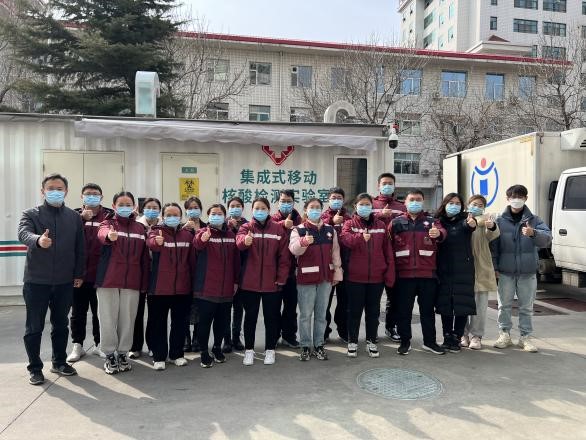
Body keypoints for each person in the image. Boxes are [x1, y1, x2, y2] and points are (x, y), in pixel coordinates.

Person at [18, 173, 85, 385]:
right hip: (36, 281)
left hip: (64, 281)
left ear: (66, 191)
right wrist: (38, 240)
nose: (55, 191)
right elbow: (23, 233)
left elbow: (80, 247)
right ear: (43, 191)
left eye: (59, 188)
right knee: (34, 327)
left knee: (61, 324)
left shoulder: (74, 217)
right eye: (50, 188)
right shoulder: (31, 214)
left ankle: (59, 362)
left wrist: (79, 273)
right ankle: (35, 368)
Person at [491, 184, 552, 353]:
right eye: (513, 197)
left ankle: (525, 337)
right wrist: (495, 267)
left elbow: (547, 240)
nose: (516, 200)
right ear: (507, 199)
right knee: (504, 305)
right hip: (505, 271)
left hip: (528, 271)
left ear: (526, 198)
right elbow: (494, 247)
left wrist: (534, 233)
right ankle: (504, 334)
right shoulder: (499, 221)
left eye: (520, 197)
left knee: (526, 307)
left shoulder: (535, 220)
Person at [96, 191, 150, 374]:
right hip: (109, 280)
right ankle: (109, 354)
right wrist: (108, 237)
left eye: (128, 204)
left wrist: (144, 282)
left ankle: (122, 353)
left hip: (132, 281)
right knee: (107, 318)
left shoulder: (140, 229)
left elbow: (144, 258)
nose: (125, 207)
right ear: (114, 206)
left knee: (128, 319)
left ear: (134, 207)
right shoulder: (107, 224)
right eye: (121, 204)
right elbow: (102, 234)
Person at [389, 189, 447, 356]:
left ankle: (430, 342)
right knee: (404, 311)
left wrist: (439, 233)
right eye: (412, 199)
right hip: (404, 275)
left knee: (427, 311)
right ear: (405, 203)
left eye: (418, 199)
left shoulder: (432, 222)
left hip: (427, 275)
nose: (415, 202)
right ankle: (405, 341)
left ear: (422, 202)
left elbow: (443, 233)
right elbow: (387, 246)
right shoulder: (396, 223)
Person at [339, 193, 395, 358]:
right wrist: (360, 238)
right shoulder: (349, 224)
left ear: (372, 207)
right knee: (354, 312)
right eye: (361, 204)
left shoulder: (381, 225)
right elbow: (346, 240)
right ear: (355, 207)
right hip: (355, 277)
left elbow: (387, 251)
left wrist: (388, 272)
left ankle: (371, 341)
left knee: (373, 313)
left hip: (376, 278)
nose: (365, 207)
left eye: (367, 204)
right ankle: (352, 341)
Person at [236, 198, 290, 366]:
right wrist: (244, 242)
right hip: (249, 283)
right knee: (250, 318)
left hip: (271, 283)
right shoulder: (246, 227)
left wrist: (281, 278)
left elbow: (284, 257)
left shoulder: (278, 229)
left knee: (271, 318)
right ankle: (249, 351)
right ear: (252, 210)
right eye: (257, 208)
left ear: (268, 210)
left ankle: (270, 350)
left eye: (263, 208)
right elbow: (239, 244)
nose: (260, 211)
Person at [290, 198, 343, 361]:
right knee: (305, 315)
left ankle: (319, 345)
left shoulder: (330, 230)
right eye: (311, 207)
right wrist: (304, 242)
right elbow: (294, 250)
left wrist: (337, 272)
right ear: (305, 210)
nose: (315, 210)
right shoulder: (298, 230)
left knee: (321, 315)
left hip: (325, 278)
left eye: (318, 207)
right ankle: (305, 346)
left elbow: (335, 252)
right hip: (306, 279)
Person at [67, 183, 113, 363]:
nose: (91, 197)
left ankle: (99, 344)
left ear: (101, 197)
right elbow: (65, 236)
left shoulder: (109, 216)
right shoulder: (73, 215)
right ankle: (77, 345)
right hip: (79, 274)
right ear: (82, 197)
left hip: (101, 274)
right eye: (88, 194)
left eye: (95, 194)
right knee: (78, 312)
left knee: (99, 312)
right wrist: (80, 219)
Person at [146, 203, 193, 370]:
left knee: (179, 323)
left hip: (182, 288)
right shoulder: (155, 232)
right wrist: (156, 242)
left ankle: (176, 354)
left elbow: (192, 261)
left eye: (176, 215)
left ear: (181, 217)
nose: (172, 218)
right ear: (163, 216)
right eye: (169, 215)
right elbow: (151, 243)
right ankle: (159, 356)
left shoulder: (187, 235)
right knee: (158, 323)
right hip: (159, 288)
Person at [193, 204, 240, 368]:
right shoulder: (203, 232)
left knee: (222, 322)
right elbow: (197, 245)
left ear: (225, 216)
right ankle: (203, 352)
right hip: (207, 287)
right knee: (205, 322)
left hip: (226, 288)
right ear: (208, 216)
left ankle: (217, 348)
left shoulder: (231, 235)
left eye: (219, 213)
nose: (216, 216)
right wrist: (203, 239)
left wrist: (236, 281)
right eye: (213, 213)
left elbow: (236, 261)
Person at [435, 193, 477, 353]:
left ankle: (457, 337)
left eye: (457, 203)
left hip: (463, 268)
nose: (454, 206)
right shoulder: (438, 221)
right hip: (443, 268)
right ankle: (447, 336)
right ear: (444, 204)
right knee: (446, 304)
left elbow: (470, 226)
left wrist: (472, 224)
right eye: (451, 203)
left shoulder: (465, 220)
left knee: (462, 304)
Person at [462, 195, 500, 350]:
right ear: (468, 205)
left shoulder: (487, 220)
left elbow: (493, 235)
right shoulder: (462, 219)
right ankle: (463, 334)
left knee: (480, 306)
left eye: (480, 205)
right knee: (462, 303)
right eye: (474, 204)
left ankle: (477, 336)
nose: (476, 207)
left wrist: (491, 226)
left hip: (481, 267)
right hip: (463, 267)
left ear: (484, 208)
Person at [372, 173, 406, 343]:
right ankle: (372, 330)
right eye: (384, 183)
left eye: (390, 183)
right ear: (378, 185)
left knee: (395, 297)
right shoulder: (370, 204)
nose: (387, 186)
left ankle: (390, 327)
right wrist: (379, 215)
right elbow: (360, 220)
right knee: (373, 298)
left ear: (394, 186)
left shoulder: (401, 206)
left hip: (396, 257)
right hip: (375, 256)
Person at [129, 197, 161, 359]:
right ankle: (135, 346)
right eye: (149, 207)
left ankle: (153, 345)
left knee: (155, 313)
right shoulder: (136, 225)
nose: (152, 210)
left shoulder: (164, 226)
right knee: (137, 312)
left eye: (155, 207)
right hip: (140, 273)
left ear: (160, 210)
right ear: (142, 209)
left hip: (158, 274)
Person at [271, 189, 302, 348]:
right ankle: (274, 336)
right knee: (274, 307)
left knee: (291, 307)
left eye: (289, 201)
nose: (286, 204)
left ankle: (289, 336)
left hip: (293, 272)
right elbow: (267, 230)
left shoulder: (299, 220)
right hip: (275, 272)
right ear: (277, 203)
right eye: (283, 201)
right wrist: (282, 225)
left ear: (294, 203)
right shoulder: (272, 220)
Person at [322, 187, 351, 343]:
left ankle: (343, 331)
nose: (336, 200)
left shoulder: (349, 218)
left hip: (346, 266)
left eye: (339, 198)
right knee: (324, 302)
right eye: (333, 197)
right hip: (327, 266)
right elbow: (316, 229)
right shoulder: (322, 216)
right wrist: (331, 222)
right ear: (328, 199)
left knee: (344, 302)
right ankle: (324, 332)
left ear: (343, 200)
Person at [222, 196, 248, 353]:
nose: (235, 208)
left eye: (238, 205)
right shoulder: (223, 224)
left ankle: (236, 337)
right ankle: (226, 340)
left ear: (242, 208)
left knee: (239, 308)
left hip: (243, 272)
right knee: (226, 308)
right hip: (226, 273)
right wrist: (228, 227)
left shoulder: (247, 225)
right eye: (232, 205)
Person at [182, 196, 206, 353]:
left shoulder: (206, 227)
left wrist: (199, 233)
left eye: (196, 207)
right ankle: (186, 338)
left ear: (201, 209)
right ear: (185, 211)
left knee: (200, 307)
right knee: (184, 307)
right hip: (185, 272)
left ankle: (197, 337)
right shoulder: (181, 228)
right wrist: (183, 229)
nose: (193, 210)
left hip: (202, 272)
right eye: (190, 208)